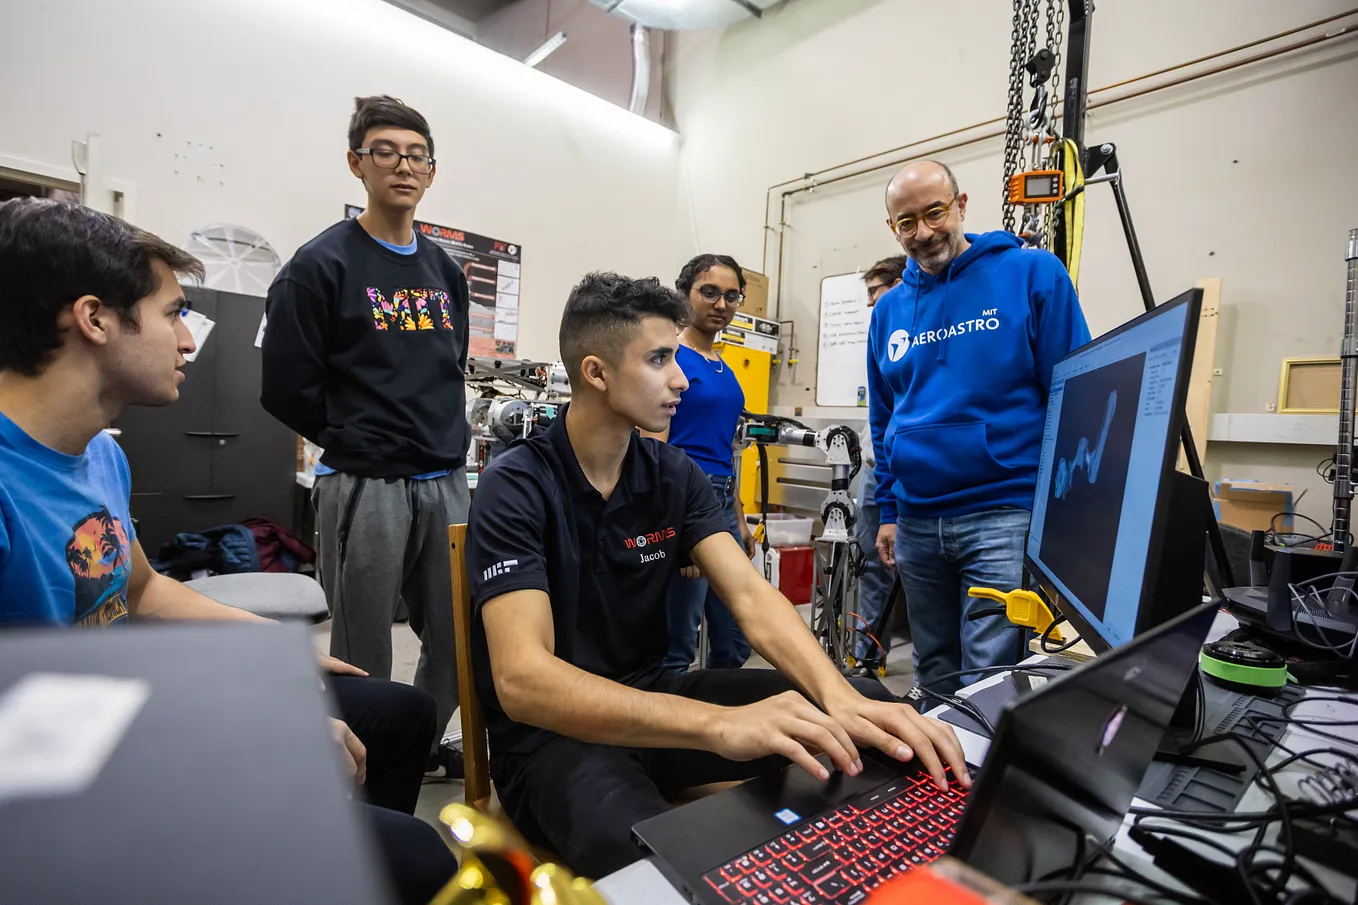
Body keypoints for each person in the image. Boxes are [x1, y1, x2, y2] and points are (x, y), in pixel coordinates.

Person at [0, 198, 456, 905]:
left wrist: (272, 655)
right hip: (57, 763)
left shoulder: (97, 456)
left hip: (130, 700)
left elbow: (145, 590)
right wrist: (249, 719)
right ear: (93, 319)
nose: (189, 340)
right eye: (174, 312)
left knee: (400, 714)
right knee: (422, 855)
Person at [466, 272, 969, 879]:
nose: (681, 378)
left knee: (868, 711)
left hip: (656, 699)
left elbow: (752, 598)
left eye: (676, 356)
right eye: (658, 359)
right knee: (656, 866)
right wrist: (718, 725)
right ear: (596, 373)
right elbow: (523, 681)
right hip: (552, 741)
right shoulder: (517, 484)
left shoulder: (672, 472)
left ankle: (882, 871)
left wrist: (835, 692)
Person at [260, 95, 470, 748]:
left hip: (446, 481)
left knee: (458, 639)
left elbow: (449, 363)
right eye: (385, 151)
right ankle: (360, 769)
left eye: (416, 155)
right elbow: (286, 387)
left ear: (431, 171)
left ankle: (413, 748)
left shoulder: (445, 271)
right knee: (361, 648)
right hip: (367, 484)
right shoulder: (320, 265)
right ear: (356, 163)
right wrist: (357, 438)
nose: (402, 166)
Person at [868, 160, 1090, 696]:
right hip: (918, 520)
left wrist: (1065, 510)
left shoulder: (1032, 275)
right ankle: (934, 776)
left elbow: (1074, 393)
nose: (922, 233)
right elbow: (883, 417)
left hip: (1004, 516)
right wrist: (890, 510)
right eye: (906, 223)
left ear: (961, 206)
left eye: (934, 213)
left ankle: (980, 774)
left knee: (989, 674)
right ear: (893, 229)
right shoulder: (890, 309)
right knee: (933, 665)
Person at [653, 253, 758, 671]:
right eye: (709, 292)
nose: (721, 305)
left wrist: (738, 516)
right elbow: (653, 447)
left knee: (735, 637)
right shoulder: (670, 358)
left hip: (722, 500)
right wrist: (675, 528)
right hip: (683, 497)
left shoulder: (722, 365)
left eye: (732, 296)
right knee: (680, 638)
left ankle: (721, 724)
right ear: (685, 294)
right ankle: (674, 731)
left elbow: (727, 446)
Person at [852, 255, 908, 665]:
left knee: (921, 573)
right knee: (870, 564)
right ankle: (869, 657)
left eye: (874, 291)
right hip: (876, 471)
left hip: (913, 474)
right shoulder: (880, 334)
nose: (870, 302)